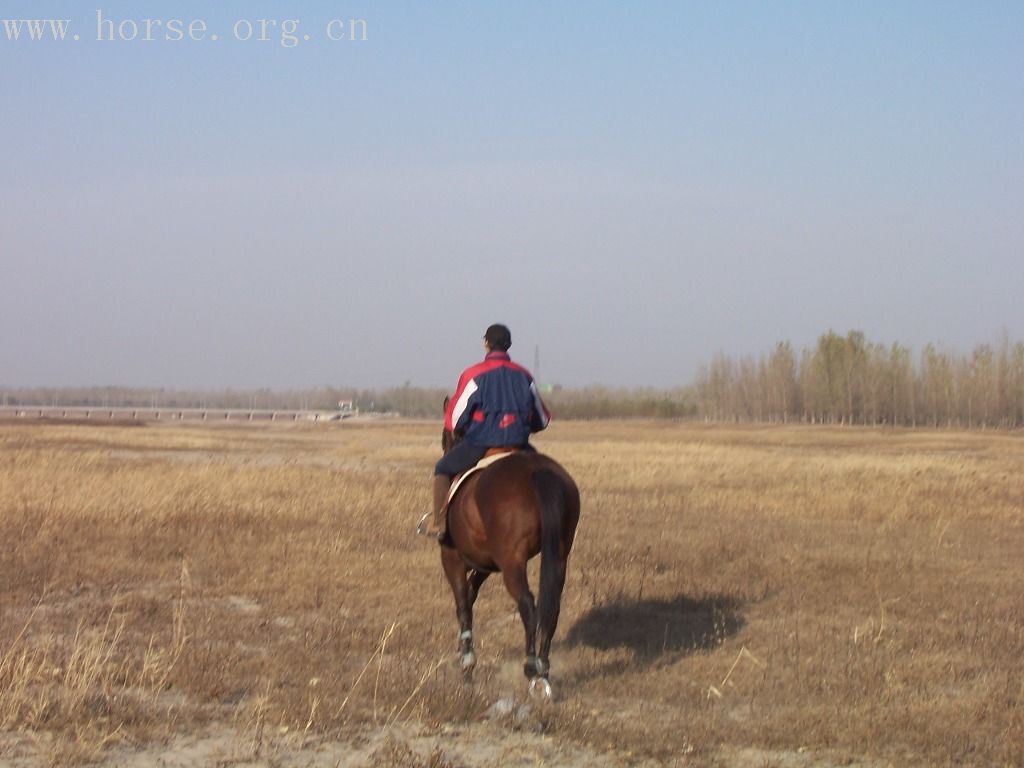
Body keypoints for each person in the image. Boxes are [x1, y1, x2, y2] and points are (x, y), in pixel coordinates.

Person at [418, 323, 550, 539]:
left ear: (486, 343)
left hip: (482, 442)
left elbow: (454, 419)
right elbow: (543, 420)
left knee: (442, 467)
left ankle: (438, 524)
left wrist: (467, 426)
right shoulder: (525, 376)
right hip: (519, 444)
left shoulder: (473, 374)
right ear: (508, 345)